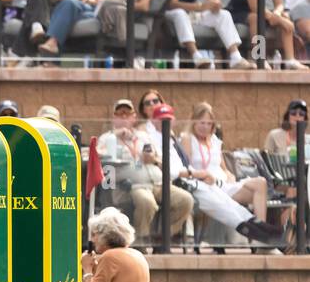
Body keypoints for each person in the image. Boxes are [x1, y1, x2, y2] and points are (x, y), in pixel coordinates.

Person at [142, 102, 282, 247]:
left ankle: (263, 230)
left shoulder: (170, 138)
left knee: (230, 204)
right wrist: (195, 173)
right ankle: (258, 234)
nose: (166, 123)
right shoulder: (151, 138)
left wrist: (202, 174)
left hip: (198, 180)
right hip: (180, 182)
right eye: (161, 120)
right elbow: (165, 166)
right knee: (221, 206)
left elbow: (183, 164)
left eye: (168, 119)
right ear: (153, 120)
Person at [97, 97, 191, 244]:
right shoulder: (107, 137)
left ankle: (162, 237)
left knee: (185, 200)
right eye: (120, 114)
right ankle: (141, 240)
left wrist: (152, 158)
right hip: (131, 185)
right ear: (113, 118)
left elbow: (161, 160)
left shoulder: (143, 136)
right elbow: (98, 154)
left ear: (134, 118)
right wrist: (116, 134)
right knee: (146, 202)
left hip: (157, 182)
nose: (124, 118)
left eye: (127, 114)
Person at [179, 102, 272, 228]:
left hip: (223, 185)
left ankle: (261, 235)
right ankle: (257, 233)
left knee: (261, 183)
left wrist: (229, 175)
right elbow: (187, 167)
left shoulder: (214, 140)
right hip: (205, 187)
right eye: (202, 122)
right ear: (194, 122)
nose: (205, 127)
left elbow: (223, 168)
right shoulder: (188, 139)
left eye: (209, 123)